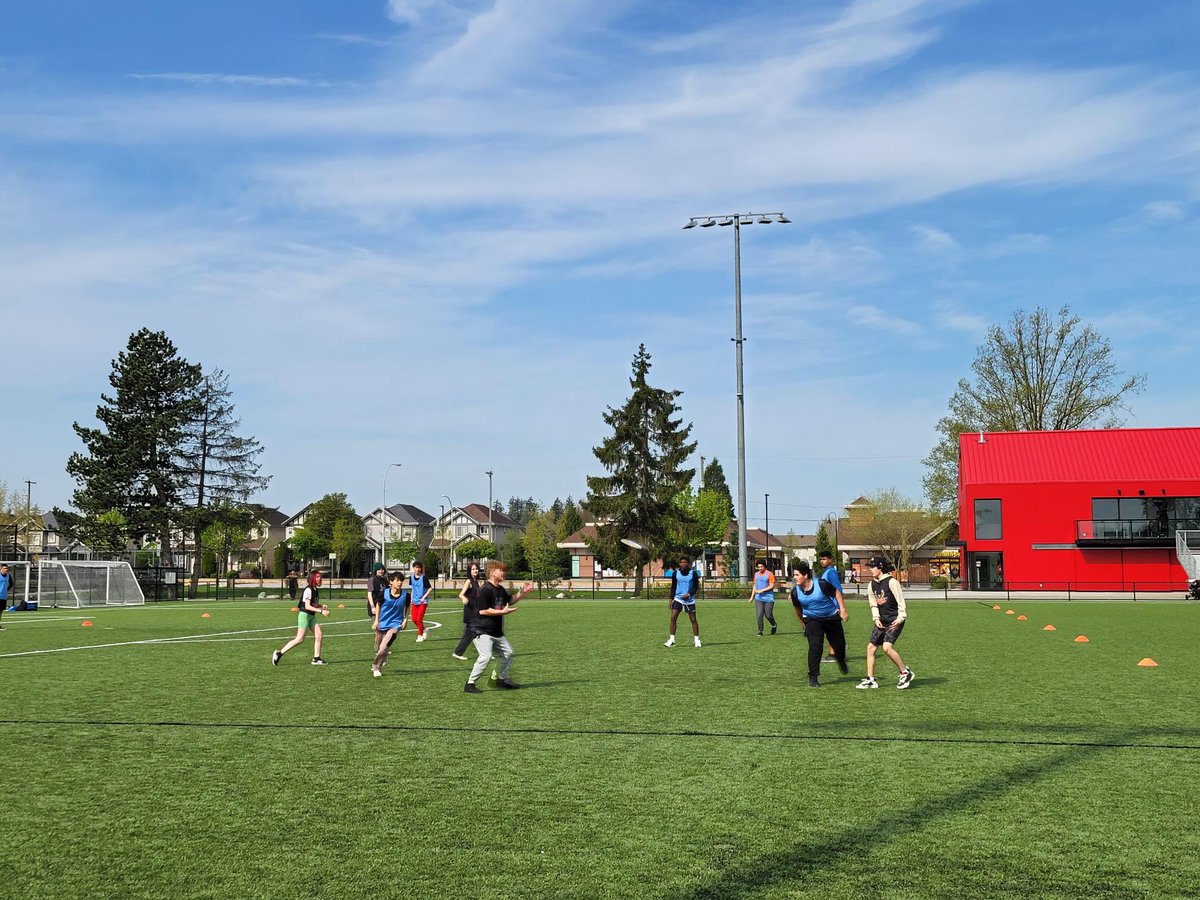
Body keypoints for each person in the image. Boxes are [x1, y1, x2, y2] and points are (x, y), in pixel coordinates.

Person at [464, 560, 532, 693]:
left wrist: (523, 593)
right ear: (492, 573)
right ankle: (470, 684)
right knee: (486, 656)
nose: (504, 573)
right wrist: (502, 612)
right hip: (480, 630)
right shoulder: (485, 590)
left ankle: (499, 679)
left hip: (495, 631)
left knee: (508, 652)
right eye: (501, 570)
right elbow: (482, 611)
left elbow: (509, 601)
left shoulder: (500, 589)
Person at [857, 557, 915, 690]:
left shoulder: (892, 582)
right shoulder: (871, 584)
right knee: (871, 648)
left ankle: (905, 672)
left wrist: (901, 618)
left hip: (894, 620)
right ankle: (870, 680)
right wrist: (876, 618)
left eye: (872, 567)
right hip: (881, 621)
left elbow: (901, 602)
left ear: (880, 567)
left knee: (887, 648)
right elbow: (873, 603)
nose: (870, 569)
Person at [789, 560, 849, 687]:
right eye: (794, 575)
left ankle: (841, 660)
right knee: (815, 646)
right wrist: (804, 624)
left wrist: (843, 610)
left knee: (839, 645)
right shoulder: (795, 592)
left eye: (797, 575)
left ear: (805, 575)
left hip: (831, 616)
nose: (795, 578)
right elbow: (798, 610)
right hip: (812, 619)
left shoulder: (821, 584)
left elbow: (836, 593)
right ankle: (813, 677)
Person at [272, 571, 329, 666]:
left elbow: (313, 604)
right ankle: (279, 654)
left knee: (319, 635)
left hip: (311, 616)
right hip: (304, 615)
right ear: (312, 578)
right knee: (299, 639)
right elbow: (307, 606)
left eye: (320, 577)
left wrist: (321, 606)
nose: (320, 578)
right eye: (317, 577)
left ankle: (316, 659)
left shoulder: (315, 589)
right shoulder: (308, 589)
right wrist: (321, 611)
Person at [371, 571, 408, 677]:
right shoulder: (384, 593)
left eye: (401, 581)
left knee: (383, 647)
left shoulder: (406, 595)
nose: (399, 583)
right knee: (378, 648)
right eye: (397, 580)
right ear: (391, 582)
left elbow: (407, 607)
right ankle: (384, 655)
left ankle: (376, 667)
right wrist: (376, 620)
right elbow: (378, 605)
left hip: (395, 625)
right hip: (382, 623)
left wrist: (406, 619)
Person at [664, 557, 701, 648]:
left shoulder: (693, 573)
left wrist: (689, 594)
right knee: (673, 617)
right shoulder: (675, 573)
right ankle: (672, 639)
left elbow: (696, 587)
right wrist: (670, 599)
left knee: (693, 619)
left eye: (685, 562)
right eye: (681, 562)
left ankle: (696, 640)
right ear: (679, 563)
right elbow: (673, 587)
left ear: (688, 563)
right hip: (678, 599)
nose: (683, 564)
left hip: (689, 600)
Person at [818, 550, 846, 660]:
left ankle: (834, 653)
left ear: (830, 560)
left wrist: (839, 607)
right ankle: (835, 651)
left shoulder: (831, 572)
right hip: (827, 606)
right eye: (821, 559)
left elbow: (838, 589)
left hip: (832, 606)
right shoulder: (826, 572)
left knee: (831, 630)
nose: (822, 561)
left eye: (824, 559)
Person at [452, 562, 482, 660]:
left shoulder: (476, 581)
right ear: (469, 571)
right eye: (473, 569)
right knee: (470, 633)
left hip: (475, 610)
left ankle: (484, 652)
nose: (475, 571)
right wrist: (464, 598)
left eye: (476, 569)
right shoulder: (469, 581)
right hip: (470, 611)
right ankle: (457, 652)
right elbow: (461, 594)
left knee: (478, 632)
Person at [748, 560, 777, 636]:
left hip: (768, 598)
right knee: (759, 614)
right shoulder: (756, 574)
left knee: (768, 615)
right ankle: (760, 630)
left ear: (764, 566)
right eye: (759, 567)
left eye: (761, 566)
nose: (760, 568)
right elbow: (755, 586)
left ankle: (774, 625)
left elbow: (772, 586)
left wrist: (762, 590)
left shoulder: (769, 574)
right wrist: (752, 597)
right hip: (758, 598)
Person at [408, 561, 434, 642]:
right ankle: (424, 629)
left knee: (419, 619)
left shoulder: (424, 578)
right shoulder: (411, 578)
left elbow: (430, 588)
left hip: (423, 601)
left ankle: (420, 635)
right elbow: (413, 588)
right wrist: (411, 598)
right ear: (413, 568)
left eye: (419, 567)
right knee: (414, 619)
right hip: (414, 601)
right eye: (416, 567)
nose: (417, 569)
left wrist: (424, 597)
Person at [366, 562, 388, 655]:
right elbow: (369, 594)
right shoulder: (372, 579)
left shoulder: (384, 580)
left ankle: (382, 647)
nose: (381, 571)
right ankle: (378, 648)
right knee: (378, 629)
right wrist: (372, 606)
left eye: (382, 569)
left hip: (384, 607)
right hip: (375, 607)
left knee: (384, 629)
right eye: (379, 569)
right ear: (375, 570)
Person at [0, 562, 11, 628]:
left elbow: (11, 584)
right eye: (4, 568)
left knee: (1, 611)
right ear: (1, 569)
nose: (6, 569)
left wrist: (6, 590)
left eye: (6, 568)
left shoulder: (8, 576)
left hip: (3, 596)